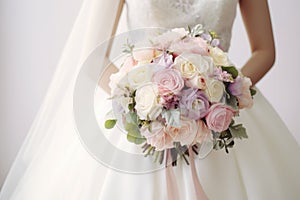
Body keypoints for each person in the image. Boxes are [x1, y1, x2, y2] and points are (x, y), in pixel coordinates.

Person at [0, 0, 299, 200]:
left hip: (221, 111)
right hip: (142, 113)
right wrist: (142, 105)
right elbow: (92, 57)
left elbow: (265, 50)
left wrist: (222, 94)